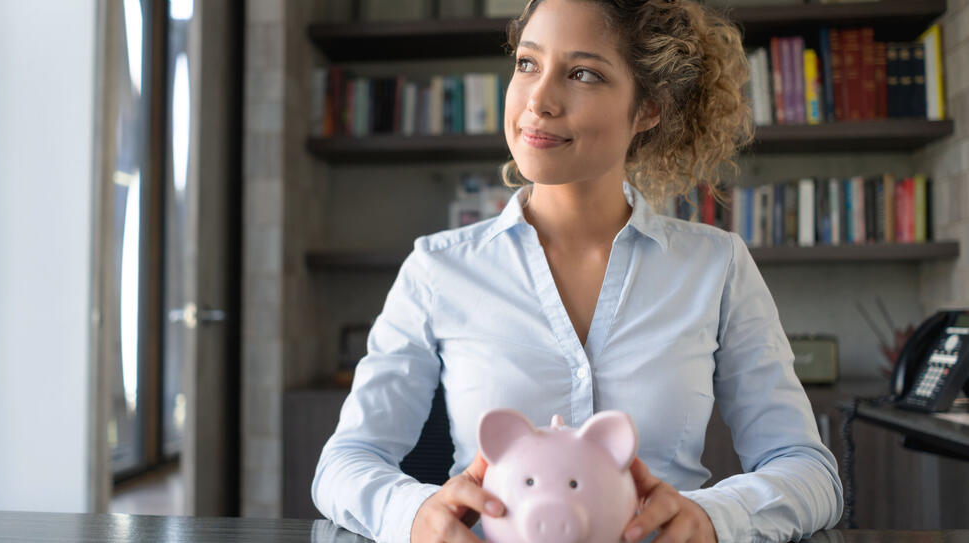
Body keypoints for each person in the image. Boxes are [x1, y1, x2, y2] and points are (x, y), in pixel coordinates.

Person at [312, 0, 844, 541]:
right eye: (527, 64)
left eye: (583, 73)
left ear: (648, 109)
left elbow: (808, 468)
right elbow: (346, 462)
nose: (538, 101)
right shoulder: (438, 268)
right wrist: (416, 513)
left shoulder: (717, 267)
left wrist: (714, 517)